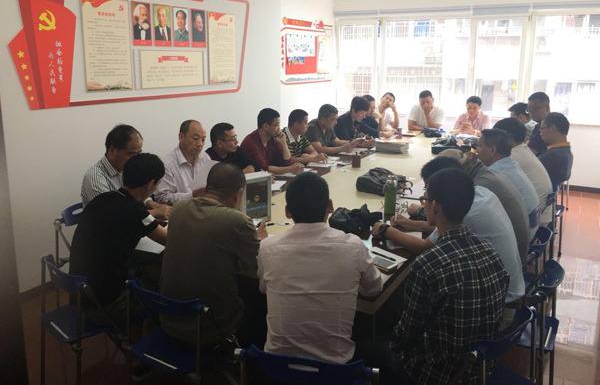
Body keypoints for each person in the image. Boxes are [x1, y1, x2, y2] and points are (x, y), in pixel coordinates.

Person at [370, 168, 508, 384]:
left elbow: (405, 338)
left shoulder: (428, 264)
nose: (423, 203)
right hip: (481, 366)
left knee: (366, 346)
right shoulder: (489, 249)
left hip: (440, 374)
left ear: (435, 206)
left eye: (424, 198)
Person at [380, 157, 524, 328]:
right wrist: (410, 224)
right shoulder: (479, 194)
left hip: (498, 312)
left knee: (395, 301)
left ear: (436, 202)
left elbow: (422, 247)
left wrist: (384, 230)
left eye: (426, 194)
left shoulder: (429, 262)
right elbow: (439, 226)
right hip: (497, 300)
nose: (423, 202)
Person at [258, 172, 382, 363]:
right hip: (336, 369)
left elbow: (264, 289)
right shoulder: (354, 247)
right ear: (330, 206)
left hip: (276, 367)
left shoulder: (267, 248)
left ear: (287, 212)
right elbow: (374, 289)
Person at [159, 163, 268, 346]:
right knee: (263, 302)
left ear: (206, 188)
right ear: (238, 194)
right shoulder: (238, 221)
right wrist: (263, 242)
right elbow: (259, 268)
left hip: (169, 317)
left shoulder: (178, 208)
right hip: (210, 325)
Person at [70, 153, 168, 325]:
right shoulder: (135, 212)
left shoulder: (103, 199)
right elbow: (168, 239)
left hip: (80, 295)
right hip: (107, 307)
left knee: (149, 262)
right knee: (163, 294)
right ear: (150, 184)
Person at [438, 149, 531, 265]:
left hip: (505, 267)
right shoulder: (486, 177)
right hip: (517, 254)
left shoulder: (478, 188)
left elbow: (441, 232)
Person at [81, 124, 169, 219]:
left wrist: (151, 203)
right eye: (132, 154)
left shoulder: (129, 168)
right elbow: (112, 214)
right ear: (112, 150)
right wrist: (154, 213)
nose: (136, 159)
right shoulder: (94, 176)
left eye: (139, 154)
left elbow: (137, 192)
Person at [477, 129, 540, 240]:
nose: (477, 150)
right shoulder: (510, 164)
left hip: (521, 236)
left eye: (480, 146)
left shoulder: (495, 175)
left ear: (492, 149)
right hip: (532, 228)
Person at [494, 118, 553, 225]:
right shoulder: (522, 149)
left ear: (506, 137)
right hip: (540, 213)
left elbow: (491, 178)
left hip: (534, 220)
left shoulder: (512, 157)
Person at [155, 120, 215, 205]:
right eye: (195, 138)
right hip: (180, 211)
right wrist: (192, 195)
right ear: (181, 137)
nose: (200, 144)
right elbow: (162, 198)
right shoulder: (166, 164)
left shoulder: (205, 158)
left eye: (203, 139)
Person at [240, 108, 305, 175]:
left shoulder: (273, 139)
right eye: (277, 125)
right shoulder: (250, 143)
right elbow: (262, 168)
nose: (279, 128)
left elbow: (286, 162)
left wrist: (284, 144)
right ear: (266, 126)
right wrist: (290, 169)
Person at [538, 112, 574, 185]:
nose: (540, 133)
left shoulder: (553, 156)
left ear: (552, 128)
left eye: (542, 129)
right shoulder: (567, 152)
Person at [527, 92, 551, 156]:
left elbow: (529, 154)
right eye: (529, 109)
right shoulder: (538, 126)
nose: (531, 112)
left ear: (546, 107)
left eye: (534, 109)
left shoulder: (548, 128)